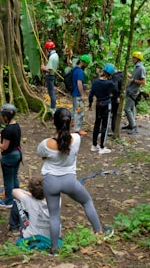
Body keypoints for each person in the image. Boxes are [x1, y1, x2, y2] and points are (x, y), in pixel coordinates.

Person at [37, 108, 113, 255]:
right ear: (71, 122)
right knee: (87, 201)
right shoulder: (77, 139)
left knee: (54, 215)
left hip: (50, 181)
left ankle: (54, 249)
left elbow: (43, 156)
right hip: (69, 180)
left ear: (53, 122)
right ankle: (99, 232)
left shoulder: (45, 144)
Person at [0, 104, 22, 209]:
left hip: (9, 157)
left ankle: (8, 201)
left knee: (8, 179)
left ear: (6, 116)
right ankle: (18, 197)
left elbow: (4, 146)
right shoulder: (16, 126)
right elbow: (12, 138)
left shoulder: (7, 130)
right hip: (17, 154)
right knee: (14, 176)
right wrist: (2, 136)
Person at [88, 64, 116, 154]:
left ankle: (94, 145)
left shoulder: (95, 82)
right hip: (106, 104)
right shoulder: (110, 83)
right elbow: (115, 89)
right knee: (104, 125)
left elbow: (91, 94)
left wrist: (90, 104)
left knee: (97, 124)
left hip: (98, 104)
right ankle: (102, 147)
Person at [123, 51, 146, 134]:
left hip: (133, 91)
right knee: (132, 108)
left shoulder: (141, 68)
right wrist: (127, 74)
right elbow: (133, 78)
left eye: (134, 58)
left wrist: (133, 80)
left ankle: (134, 127)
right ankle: (131, 124)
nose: (132, 59)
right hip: (130, 90)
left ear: (138, 59)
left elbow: (143, 82)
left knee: (127, 109)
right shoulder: (136, 67)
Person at [71, 54, 91, 135]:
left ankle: (72, 121)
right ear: (83, 63)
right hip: (78, 94)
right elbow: (79, 83)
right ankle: (77, 129)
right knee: (79, 111)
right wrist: (83, 95)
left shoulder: (75, 69)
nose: (87, 66)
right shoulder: (80, 72)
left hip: (74, 93)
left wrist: (83, 85)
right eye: (86, 64)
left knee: (74, 109)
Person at [41, 41, 59, 114]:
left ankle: (53, 108)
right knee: (51, 91)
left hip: (50, 76)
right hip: (53, 75)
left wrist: (43, 68)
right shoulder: (56, 55)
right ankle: (53, 107)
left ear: (48, 49)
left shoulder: (51, 57)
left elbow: (49, 70)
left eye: (46, 49)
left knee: (51, 92)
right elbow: (56, 66)